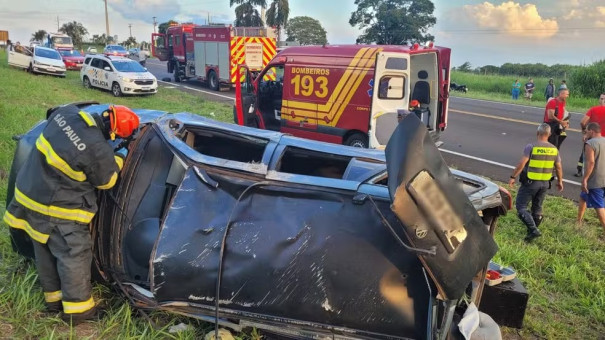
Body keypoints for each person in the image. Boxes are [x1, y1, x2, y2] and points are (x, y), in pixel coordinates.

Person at [2, 104, 139, 324]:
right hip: (57, 209)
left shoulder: (66, 114)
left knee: (44, 250)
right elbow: (108, 181)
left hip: (29, 197)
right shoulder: (96, 147)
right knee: (73, 255)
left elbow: (51, 113)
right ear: (112, 134)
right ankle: (79, 312)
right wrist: (121, 153)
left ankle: (54, 301)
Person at [509, 123, 563, 242]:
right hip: (545, 184)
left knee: (521, 207)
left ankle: (533, 230)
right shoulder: (554, 150)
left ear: (537, 133)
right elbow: (558, 167)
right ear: (549, 135)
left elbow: (521, 164)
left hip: (530, 182)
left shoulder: (531, 147)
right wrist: (560, 181)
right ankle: (531, 234)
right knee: (537, 208)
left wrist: (513, 176)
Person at [577, 122, 605, 232]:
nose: (585, 133)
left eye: (587, 131)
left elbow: (591, 163)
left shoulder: (590, 144)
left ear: (591, 131)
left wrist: (585, 179)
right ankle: (578, 221)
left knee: (599, 207)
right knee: (583, 196)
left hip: (595, 180)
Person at [575, 93, 605, 176]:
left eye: (602, 98)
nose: (601, 100)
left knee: (586, 154)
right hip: (603, 139)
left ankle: (580, 171)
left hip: (592, 137)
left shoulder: (593, 109)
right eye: (601, 98)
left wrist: (585, 132)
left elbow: (582, 122)